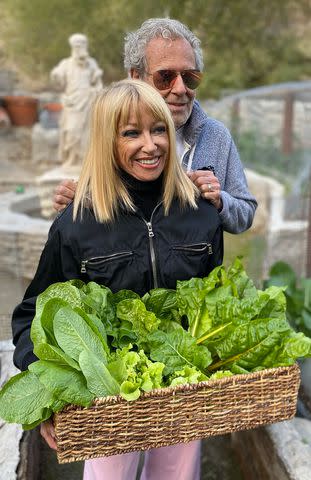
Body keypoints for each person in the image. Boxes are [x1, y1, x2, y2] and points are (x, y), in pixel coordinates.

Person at [12, 79, 223, 480]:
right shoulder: (76, 224)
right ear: (108, 141)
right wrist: (49, 391)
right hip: (106, 397)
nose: (150, 145)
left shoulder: (202, 214)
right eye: (131, 133)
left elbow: (212, 302)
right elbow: (31, 316)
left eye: (158, 129)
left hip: (183, 389)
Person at [53, 18, 257, 234]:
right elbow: (94, 204)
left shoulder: (215, 136)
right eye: (165, 77)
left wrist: (219, 201)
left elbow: (245, 212)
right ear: (135, 76)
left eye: (190, 77)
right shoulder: (111, 131)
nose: (180, 89)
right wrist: (74, 200)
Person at [51, 33, 103, 167]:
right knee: (71, 131)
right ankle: (71, 159)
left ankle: (82, 162)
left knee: (86, 133)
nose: (80, 48)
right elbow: (59, 83)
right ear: (73, 47)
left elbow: (97, 84)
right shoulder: (66, 64)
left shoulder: (91, 63)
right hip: (72, 103)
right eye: (77, 45)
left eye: (82, 44)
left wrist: (96, 87)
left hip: (88, 102)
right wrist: (56, 76)